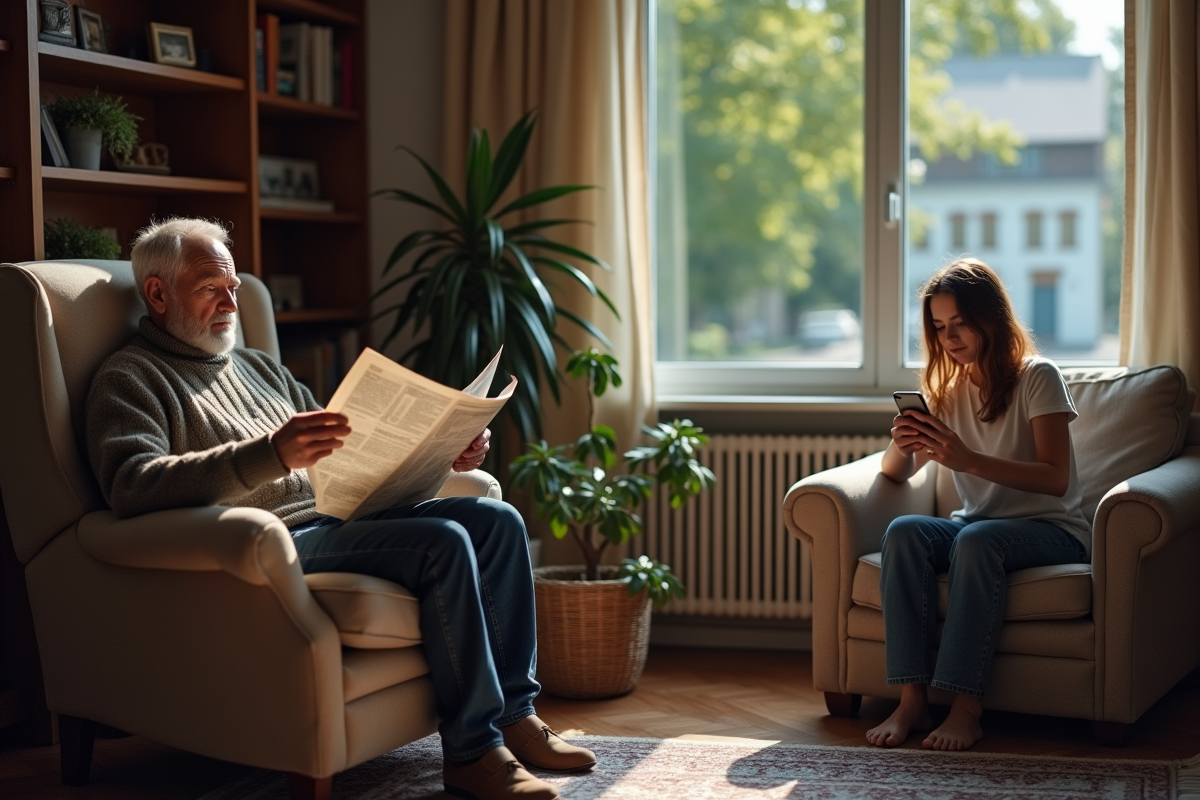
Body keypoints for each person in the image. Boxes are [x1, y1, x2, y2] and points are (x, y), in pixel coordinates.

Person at [85, 218, 595, 800]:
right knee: (444, 542)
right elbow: (130, 484)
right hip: (273, 542)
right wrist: (270, 454)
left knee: (498, 522)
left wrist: (442, 451)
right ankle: (473, 752)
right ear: (158, 293)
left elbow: (342, 448)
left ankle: (515, 715)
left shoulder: (259, 368)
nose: (231, 301)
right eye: (211, 288)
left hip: (337, 516)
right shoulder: (127, 379)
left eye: (232, 287)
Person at [867, 257, 1090, 751]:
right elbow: (894, 474)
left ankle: (967, 708)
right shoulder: (946, 389)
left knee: (976, 538)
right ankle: (912, 699)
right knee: (905, 531)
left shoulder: (1038, 377)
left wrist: (968, 460)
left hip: (1053, 530)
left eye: (960, 323)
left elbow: (1055, 479)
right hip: (977, 530)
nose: (949, 337)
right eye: (939, 326)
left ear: (991, 318)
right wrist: (903, 441)